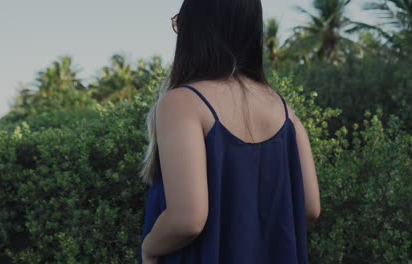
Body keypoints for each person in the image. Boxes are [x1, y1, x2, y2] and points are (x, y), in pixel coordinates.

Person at [137, 0, 321, 263]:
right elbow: (311, 208)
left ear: (196, 31)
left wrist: (150, 248)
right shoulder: (284, 109)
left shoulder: (182, 103)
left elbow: (187, 219)